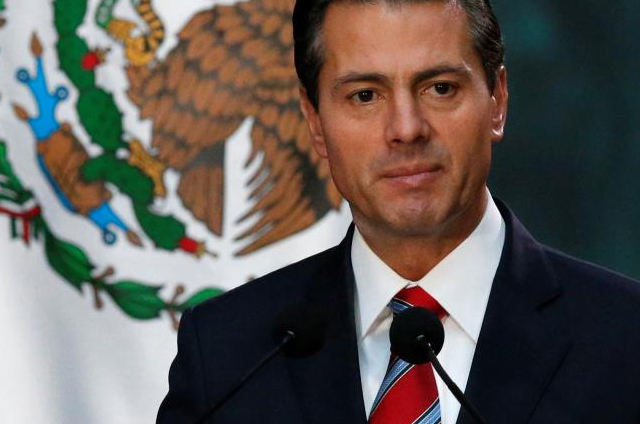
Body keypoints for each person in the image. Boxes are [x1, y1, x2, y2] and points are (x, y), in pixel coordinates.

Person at [157, 0, 640, 423]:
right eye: (365, 96)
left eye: (440, 88)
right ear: (315, 122)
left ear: (498, 100)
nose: (406, 129)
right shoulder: (227, 354)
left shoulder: (625, 337)